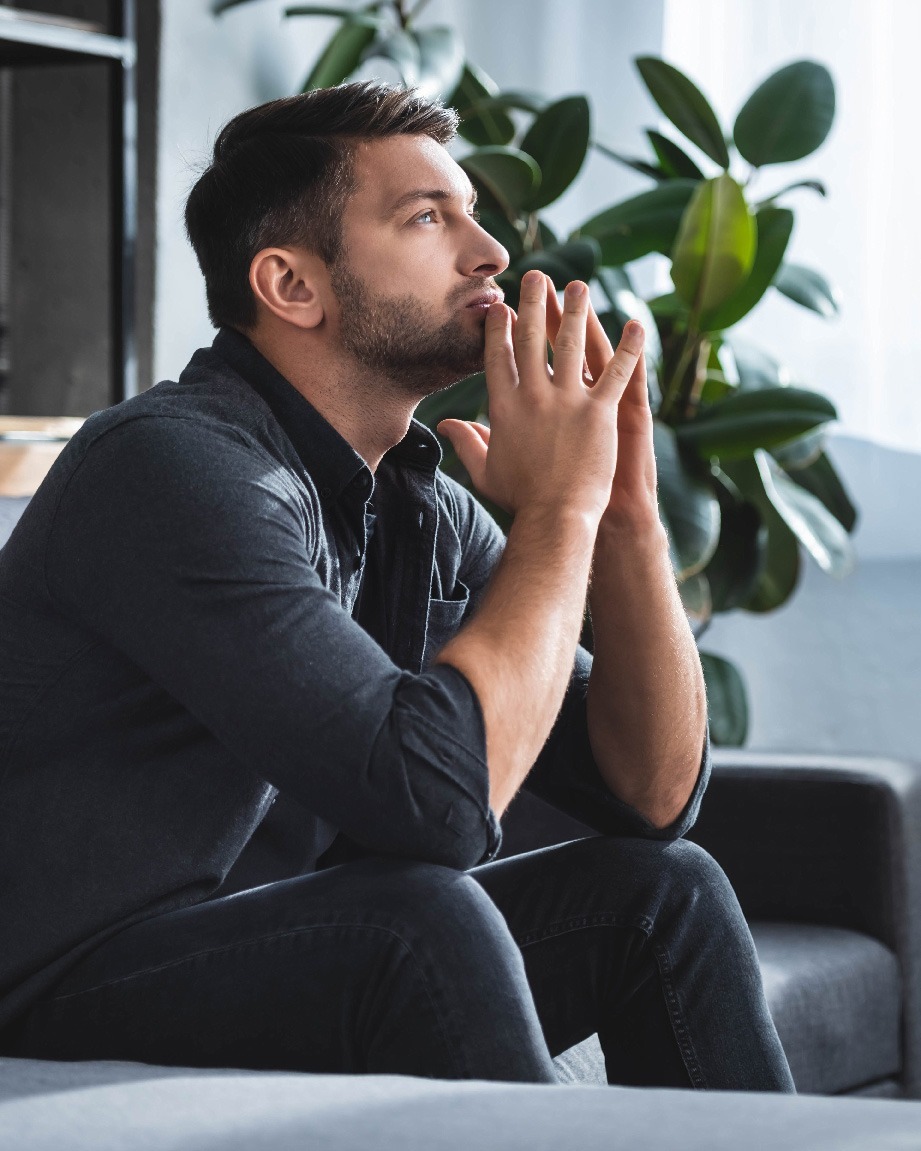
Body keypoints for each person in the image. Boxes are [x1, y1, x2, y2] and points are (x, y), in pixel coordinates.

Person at [0, 81, 794, 1091]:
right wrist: (554, 511)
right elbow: (439, 812)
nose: (491, 252)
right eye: (428, 217)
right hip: (54, 983)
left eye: (469, 210)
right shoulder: (173, 469)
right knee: (418, 914)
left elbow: (652, 794)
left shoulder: (416, 501)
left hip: (289, 954)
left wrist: (621, 510)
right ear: (293, 285)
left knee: (661, 891)